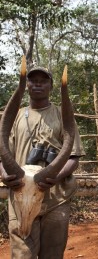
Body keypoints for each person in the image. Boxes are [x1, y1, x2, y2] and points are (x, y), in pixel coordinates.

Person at [0, 66, 85, 258]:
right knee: (22, 255)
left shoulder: (63, 115)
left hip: (55, 199)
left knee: (53, 254)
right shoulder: (15, 116)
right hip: (21, 197)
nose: (38, 83)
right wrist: (5, 175)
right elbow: (3, 154)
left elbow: (73, 157)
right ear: (27, 85)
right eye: (33, 80)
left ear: (51, 86)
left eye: (43, 80)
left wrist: (55, 177)